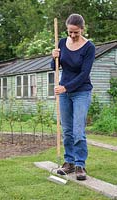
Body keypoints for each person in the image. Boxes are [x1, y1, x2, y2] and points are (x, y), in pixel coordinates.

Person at [51, 13, 95, 180]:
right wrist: (53, 57)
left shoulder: (89, 47)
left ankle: (80, 165)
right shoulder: (62, 42)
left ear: (82, 29)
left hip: (81, 92)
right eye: (70, 32)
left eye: (76, 32)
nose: (72, 35)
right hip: (64, 92)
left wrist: (66, 87)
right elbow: (55, 66)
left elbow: (84, 74)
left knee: (78, 130)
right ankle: (68, 162)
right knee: (67, 130)